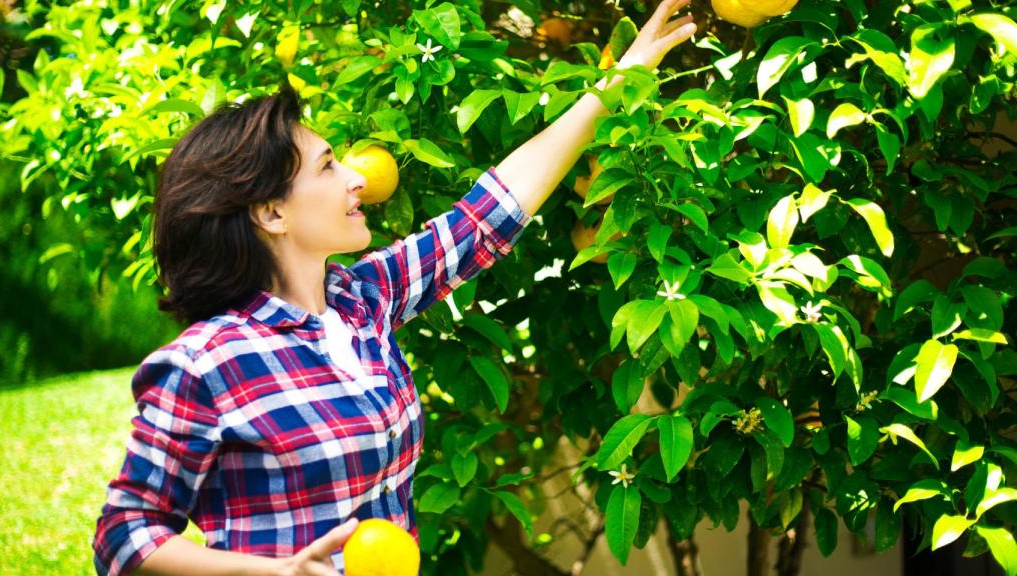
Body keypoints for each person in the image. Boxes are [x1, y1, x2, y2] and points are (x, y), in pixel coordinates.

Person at [92, 1, 697, 575]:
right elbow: (125, 534)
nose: (357, 177)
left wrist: (620, 80)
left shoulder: (361, 304)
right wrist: (274, 571)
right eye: (328, 166)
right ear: (271, 213)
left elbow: (492, 210)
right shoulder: (206, 364)